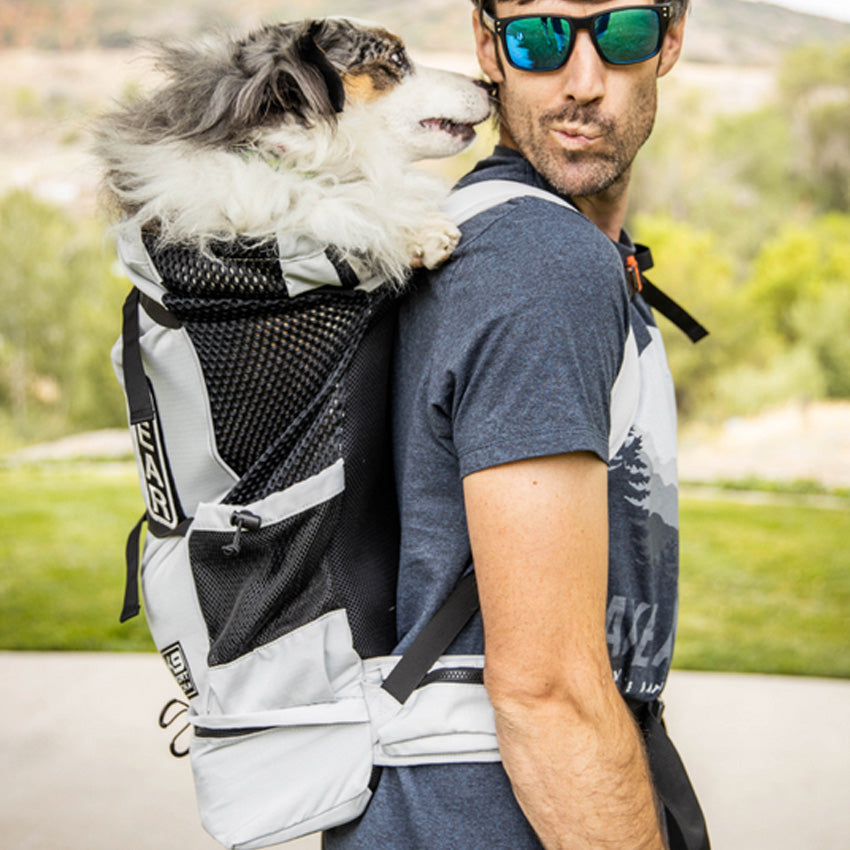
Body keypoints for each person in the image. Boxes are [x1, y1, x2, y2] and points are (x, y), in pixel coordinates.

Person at [324, 1, 706, 847]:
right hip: (504, 811)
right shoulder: (542, 260)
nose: (581, 83)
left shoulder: (498, 232)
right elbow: (548, 692)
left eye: (625, 33)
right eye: (539, 37)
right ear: (487, 44)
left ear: (671, 38)